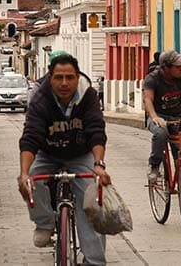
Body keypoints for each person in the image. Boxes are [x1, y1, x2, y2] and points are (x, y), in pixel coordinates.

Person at [18, 53, 111, 265]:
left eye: (69, 77)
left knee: (91, 201)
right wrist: (24, 174)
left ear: (77, 77)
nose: (64, 83)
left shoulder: (88, 95)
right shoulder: (40, 99)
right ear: (50, 78)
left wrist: (98, 165)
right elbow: (31, 137)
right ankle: (44, 223)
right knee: (33, 179)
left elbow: (97, 130)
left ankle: (94, 260)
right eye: (58, 77)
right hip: (47, 153)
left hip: (80, 153)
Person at [143, 49, 181, 182]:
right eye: (177, 67)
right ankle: (154, 166)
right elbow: (148, 99)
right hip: (157, 116)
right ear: (166, 68)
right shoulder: (152, 78)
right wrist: (155, 117)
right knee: (161, 134)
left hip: (176, 117)